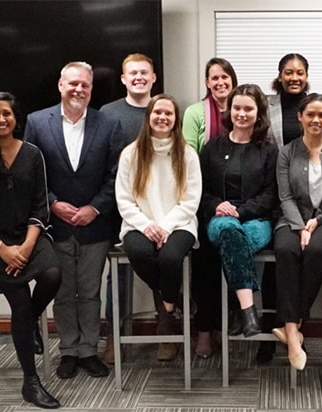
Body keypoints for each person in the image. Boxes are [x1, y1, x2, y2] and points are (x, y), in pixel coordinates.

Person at [24, 61, 124, 380]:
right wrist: (53, 204)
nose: (78, 89)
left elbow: (116, 175)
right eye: (73, 84)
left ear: (91, 89)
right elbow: (31, 174)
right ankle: (68, 350)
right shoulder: (37, 122)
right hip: (55, 223)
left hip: (96, 223)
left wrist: (95, 208)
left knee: (91, 290)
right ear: (60, 85)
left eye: (85, 85)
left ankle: (89, 350)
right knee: (63, 291)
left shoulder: (108, 124)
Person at [0, 91, 62, 408]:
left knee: (51, 274)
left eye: (7, 113)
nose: (2, 119)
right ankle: (30, 382)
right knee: (19, 298)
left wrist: (27, 245)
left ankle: (30, 320)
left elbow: (40, 207)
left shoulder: (33, 154)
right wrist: (4, 250)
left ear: (15, 117)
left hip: (28, 235)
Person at [115, 94, 201, 361]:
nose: (162, 117)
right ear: (149, 116)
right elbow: (124, 198)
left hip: (180, 223)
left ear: (175, 120)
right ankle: (174, 298)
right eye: (157, 113)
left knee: (171, 257)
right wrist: (146, 225)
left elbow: (191, 199)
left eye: (168, 114)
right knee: (140, 253)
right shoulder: (131, 153)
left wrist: (164, 226)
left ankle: (168, 304)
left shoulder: (187, 153)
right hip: (138, 224)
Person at [272, 93, 322, 370]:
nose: (317, 120)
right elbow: (285, 197)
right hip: (292, 218)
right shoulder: (287, 151)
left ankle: (292, 326)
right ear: (300, 118)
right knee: (285, 249)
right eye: (311, 115)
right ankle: (294, 332)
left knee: (316, 249)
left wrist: (316, 223)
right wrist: (300, 225)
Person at [199, 84, 278, 338]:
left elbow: (270, 195)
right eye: (237, 108)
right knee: (230, 233)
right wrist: (216, 205)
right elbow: (200, 189)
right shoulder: (212, 147)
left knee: (235, 240)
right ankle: (248, 311)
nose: (241, 113)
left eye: (248, 108)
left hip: (257, 220)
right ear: (229, 110)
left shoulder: (268, 151)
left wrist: (241, 211)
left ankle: (237, 307)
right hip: (219, 219)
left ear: (259, 112)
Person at [99, 53, 157, 364]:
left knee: (165, 264)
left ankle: (165, 328)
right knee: (117, 276)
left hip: (161, 209)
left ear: (153, 77)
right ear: (123, 79)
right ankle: (114, 336)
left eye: (144, 73)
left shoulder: (162, 109)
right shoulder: (108, 114)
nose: (138, 77)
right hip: (119, 207)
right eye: (132, 73)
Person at [182, 57, 238, 359]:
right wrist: (211, 203)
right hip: (202, 199)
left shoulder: (243, 108)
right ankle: (204, 329)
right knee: (205, 267)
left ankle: (223, 326)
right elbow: (188, 156)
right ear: (207, 82)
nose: (220, 82)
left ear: (233, 80)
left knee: (231, 263)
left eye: (225, 77)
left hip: (237, 200)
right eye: (214, 78)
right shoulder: (194, 112)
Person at [258, 53, 311, 363]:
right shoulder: (268, 106)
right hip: (274, 194)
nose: (294, 77)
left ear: (306, 76)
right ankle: (269, 333)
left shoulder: (316, 105)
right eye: (289, 72)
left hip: (307, 198)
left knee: (300, 264)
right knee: (273, 267)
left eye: (300, 72)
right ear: (279, 75)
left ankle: (294, 329)